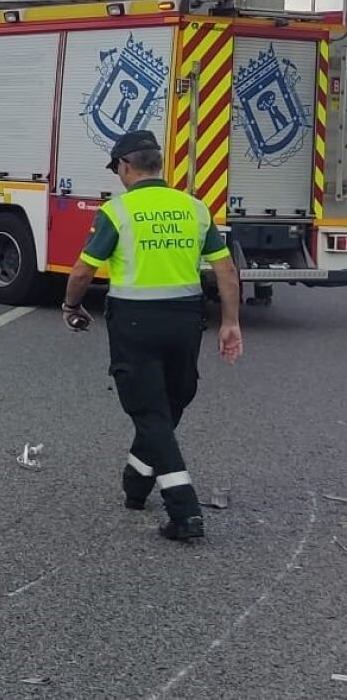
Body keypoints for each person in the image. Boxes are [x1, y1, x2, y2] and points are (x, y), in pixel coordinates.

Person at [60, 129, 243, 543]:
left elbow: (84, 271)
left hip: (135, 323)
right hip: (185, 322)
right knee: (170, 403)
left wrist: (71, 306)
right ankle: (137, 481)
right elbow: (226, 271)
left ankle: (185, 510)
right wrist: (230, 322)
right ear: (157, 165)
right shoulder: (194, 208)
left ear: (126, 167)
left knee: (149, 412)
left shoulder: (117, 211)